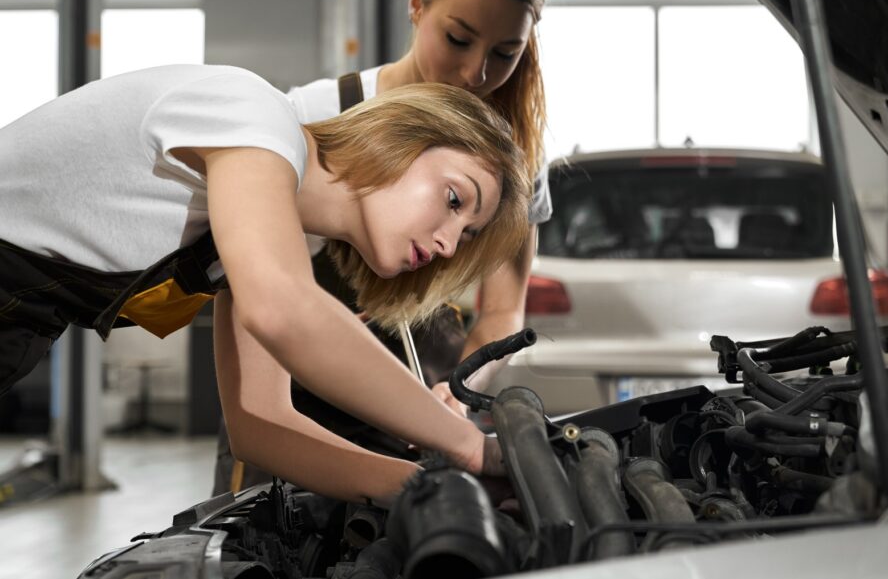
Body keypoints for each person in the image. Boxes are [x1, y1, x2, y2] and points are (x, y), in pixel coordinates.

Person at [0, 63, 530, 504]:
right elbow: (284, 310)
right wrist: (469, 446)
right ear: (401, 136)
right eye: (455, 200)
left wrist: (438, 490)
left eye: (466, 236)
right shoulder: (249, 113)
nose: (447, 244)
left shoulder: (257, 232)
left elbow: (261, 425)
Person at [290, 0, 552, 405]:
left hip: (422, 403)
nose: (476, 73)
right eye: (458, 39)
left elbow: (502, 310)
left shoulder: (516, 160)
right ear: (416, 3)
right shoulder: (319, 112)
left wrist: (459, 392)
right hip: (294, 394)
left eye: (505, 53)